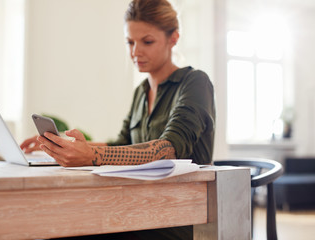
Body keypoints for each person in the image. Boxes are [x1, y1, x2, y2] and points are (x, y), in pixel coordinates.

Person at [21, 0, 215, 238]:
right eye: (129, 42)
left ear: (173, 38)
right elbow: (121, 144)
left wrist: (93, 156)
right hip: (136, 208)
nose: (135, 52)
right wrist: (60, 143)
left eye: (147, 41)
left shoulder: (195, 82)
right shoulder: (141, 92)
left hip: (179, 218)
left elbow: (166, 151)